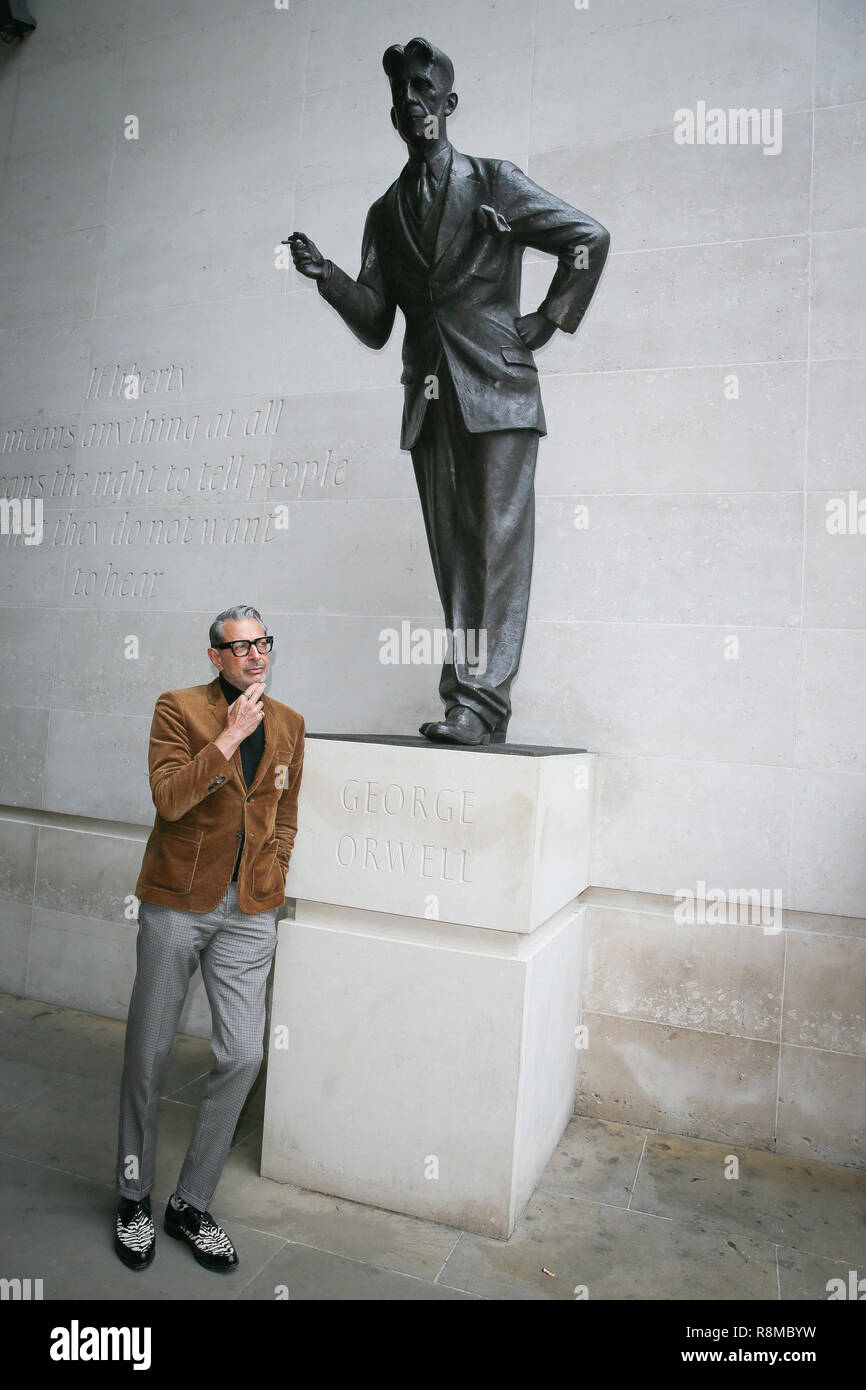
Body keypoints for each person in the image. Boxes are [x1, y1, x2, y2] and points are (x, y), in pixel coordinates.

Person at [288, 36, 609, 745]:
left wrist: (544, 322)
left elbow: (588, 238)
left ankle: (478, 703)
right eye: (402, 96)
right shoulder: (384, 213)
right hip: (430, 399)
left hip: (498, 388)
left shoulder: (495, 181)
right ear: (394, 115)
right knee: (456, 558)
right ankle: (471, 704)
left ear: (448, 105)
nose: (412, 104)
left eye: (424, 93)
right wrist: (331, 279)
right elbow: (377, 323)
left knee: (496, 546)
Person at [113, 605, 305, 1272]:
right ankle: (133, 1196)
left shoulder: (289, 726)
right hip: (178, 903)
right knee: (149, 1052)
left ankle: (190, 1203)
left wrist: (275, 869)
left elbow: (286, 808)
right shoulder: (180, 709)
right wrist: (225, 741)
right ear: (215, 657)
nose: (255, 655)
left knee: (243, 1054)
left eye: (263, 644)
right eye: (240, 646)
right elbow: (169, 799)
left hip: (251, 910)